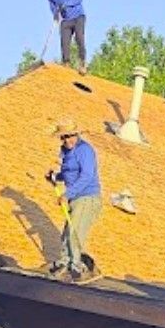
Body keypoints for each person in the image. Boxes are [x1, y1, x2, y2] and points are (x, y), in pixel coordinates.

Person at [46, 120, 101, 281]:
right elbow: (69, 173)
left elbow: (87, 176)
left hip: (87, 198)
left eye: (70, 136)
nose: (67, 140)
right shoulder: (66, 152)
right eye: (63, 137)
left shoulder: (84, 150)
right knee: (67, 232)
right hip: (75, 198)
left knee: (74, 232)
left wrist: (67, 194)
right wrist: (55, 177)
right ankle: (64, 262)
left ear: (76, 134)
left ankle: (76, 267)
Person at [35, 0, 87, 74]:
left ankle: (82, 64)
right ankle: (66, 63)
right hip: (66, 19)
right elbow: (53, 7)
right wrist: (55, 15)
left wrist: (66, 4)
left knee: (79, 38)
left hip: (78, 16)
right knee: (64, 42)